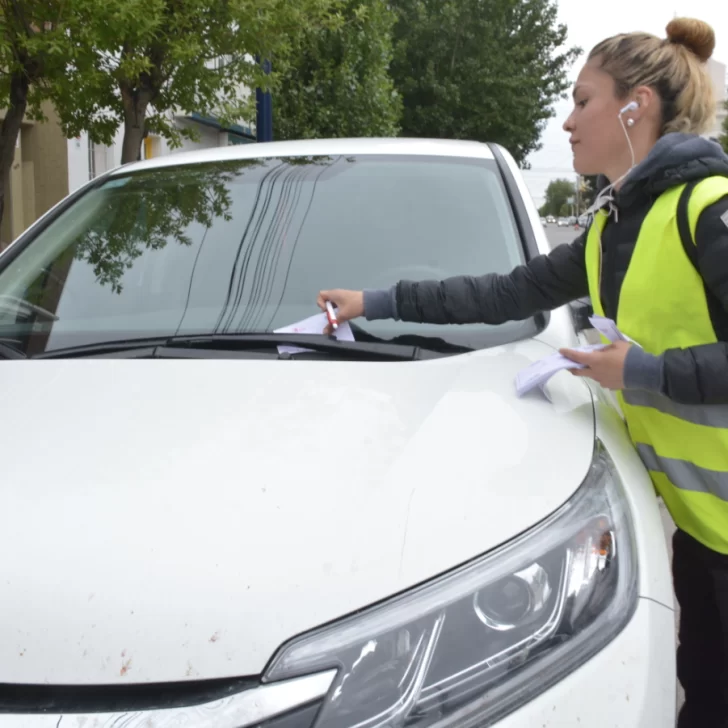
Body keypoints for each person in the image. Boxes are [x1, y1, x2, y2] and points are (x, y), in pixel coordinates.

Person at [317, 17, 728, 728]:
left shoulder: (708, 208)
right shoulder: (609, 230)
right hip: (703, 529)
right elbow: (502, 293)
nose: (567, 123)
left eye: (582, 100)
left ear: (637, 107)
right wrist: (377, 300)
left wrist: (645, 370)